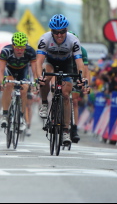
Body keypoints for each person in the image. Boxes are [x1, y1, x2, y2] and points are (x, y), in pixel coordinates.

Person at [36, 14, 87, 145]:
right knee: (45, 77)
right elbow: (38, 62)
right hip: (50, 62)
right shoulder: (45, 39)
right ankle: (44, 104)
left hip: (66, 64)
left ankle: (65, 130)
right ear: (51, 31)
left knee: (65, 94)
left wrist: (82, 78)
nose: (59, 35)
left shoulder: (73, 40)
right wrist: (38, 77)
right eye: (56, 32)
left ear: (66, 30)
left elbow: (79, 63)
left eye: (62, 31)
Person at [0, 32, 38, 133]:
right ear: (13, 45)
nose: (19, 50)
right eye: (17, 47)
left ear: (26, 46)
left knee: (24, 89)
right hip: (9, 70)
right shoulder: (6, 51)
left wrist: (36, 83)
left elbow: (34, 71)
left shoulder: (30, 51)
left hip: (23, 71)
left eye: (22, 47)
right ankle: (5, 115)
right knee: (8, 84)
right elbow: (0, 70)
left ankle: (21, 117)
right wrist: (2, 82)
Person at [68, 31, 91, 143]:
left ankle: (74, 128)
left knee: (75, 101)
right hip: (65, 71)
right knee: (59, 92)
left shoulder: (82, 51)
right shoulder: (63, 49)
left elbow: (86, 70)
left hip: (76, 73)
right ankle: (56, 119)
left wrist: (86, 84)